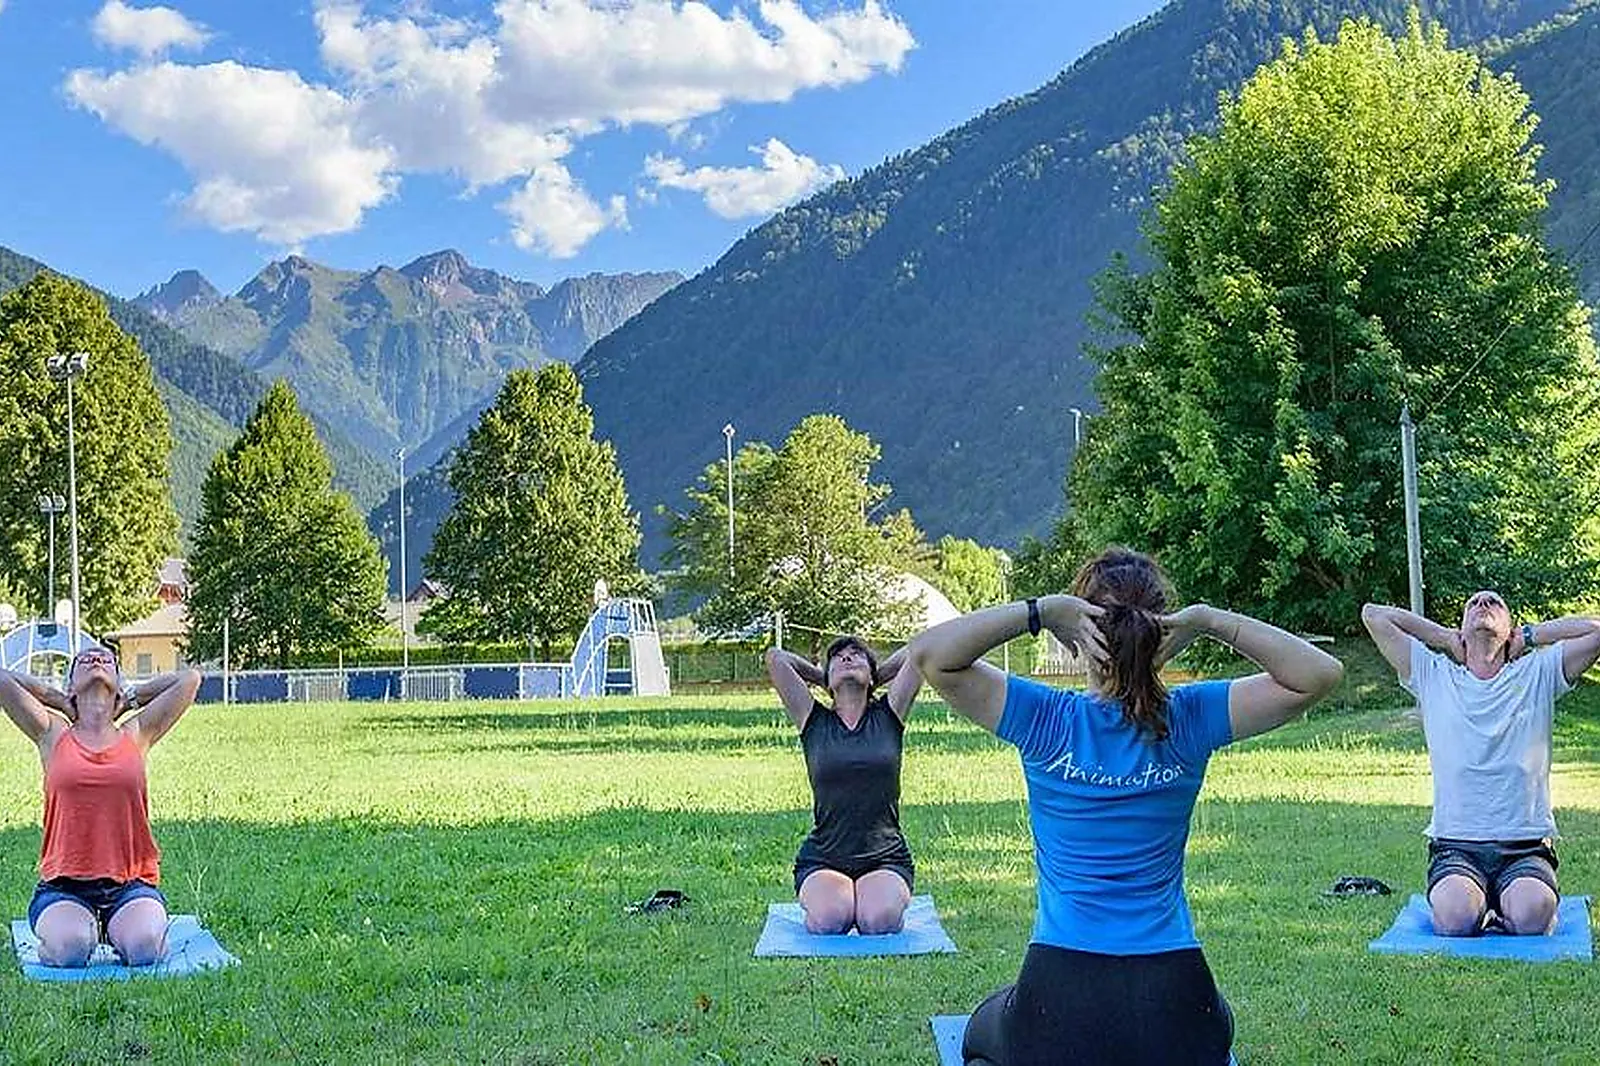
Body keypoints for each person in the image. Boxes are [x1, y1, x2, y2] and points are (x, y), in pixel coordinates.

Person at [910, 547, 1342, 1066]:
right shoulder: (1191, 716)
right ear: (1160, 633)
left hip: (1060, 1001)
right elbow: (1320, 674)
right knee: (1217, 1020)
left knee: (983, 1026)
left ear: (1079, 632)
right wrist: (1206, 621)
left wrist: (1041, 611)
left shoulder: (1044, 718)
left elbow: (931, 655)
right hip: (1178, 1001)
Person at [1362, 592, 1600, 936]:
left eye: (1494, 603)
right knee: (1456, 919)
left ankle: (1506, 907)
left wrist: (1531, 636)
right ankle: (1480, 907)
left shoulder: (1539, 672)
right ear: (1462, 627)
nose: (1482, 604)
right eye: (1473, 604)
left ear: (1509, 629)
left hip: (1524, 847)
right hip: (1457, 847)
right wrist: (1444, 637)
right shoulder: (1434, 674)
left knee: (1533, 915)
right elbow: (1373, 615)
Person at [0, 647, 201, 966]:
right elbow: (3, 679)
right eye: (84, 660)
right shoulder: (52, 733)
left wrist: (129, 697)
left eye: (107, 659)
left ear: (119, 680)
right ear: (71, 684)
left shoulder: (136, 733)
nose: (96, 659)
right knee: (71, 950)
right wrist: (56, 699)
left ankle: (117, 929)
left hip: (129, 886)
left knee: (146, 949)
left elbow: (189, 679)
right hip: (64, 888)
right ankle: (77, 931)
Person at [765, 635, 923, 934]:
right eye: (838, 657)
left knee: (879, 922)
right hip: (825, 857)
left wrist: (878, 673)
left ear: (872, 675)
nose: (847, 658)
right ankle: (843, 901)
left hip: (885, 858)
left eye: (856, 655)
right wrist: (823, 676)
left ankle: (867, 901)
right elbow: (776, 658)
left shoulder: (890, 715)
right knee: (829, 921)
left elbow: (922, 651)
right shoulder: (812, 720)